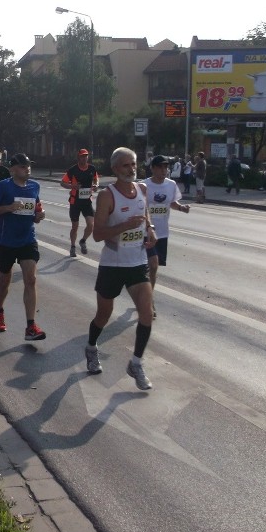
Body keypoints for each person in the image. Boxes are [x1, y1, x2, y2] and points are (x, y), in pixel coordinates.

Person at [85, 147, 157, 389]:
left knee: (146, 314)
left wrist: (151, 230)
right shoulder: (108, 195)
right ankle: (91, 346)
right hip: (112, 265)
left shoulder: (142, 190)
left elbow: (144, 214)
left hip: (137, 262)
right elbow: (97, 235)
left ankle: (136, 363)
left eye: (134, 164)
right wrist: (124, 226)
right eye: (126, 165)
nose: (132, 169)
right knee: (103, 315)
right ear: (115, 169)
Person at [0, 152, 46, 340]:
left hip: (27, 240)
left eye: (28, 166)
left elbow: (36, 210)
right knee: (4, 280)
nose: (27, 169)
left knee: (31, 279)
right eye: (22, 166)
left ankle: (30, 326)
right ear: (12, 169)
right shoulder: (4, 187)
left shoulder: (35, 186)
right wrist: (8, 208)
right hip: (5, 241)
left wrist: (38, 216)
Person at [144, 155, 190, 318]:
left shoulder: (170, 185)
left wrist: (181, 208)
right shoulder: (144, 185)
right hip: (146, 233)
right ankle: (149, 302)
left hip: (163, 233)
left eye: (166, 168)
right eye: (160, 167)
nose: (164, 170)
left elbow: (171, 202)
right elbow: (139, 206)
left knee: (154, 268)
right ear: (153, 168)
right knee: (154, 265)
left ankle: (146, 293)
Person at [60, 148, 99, 257]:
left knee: (91, 225)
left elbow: (96, 179)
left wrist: (96, 185)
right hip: (75, 202)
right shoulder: (73, 170)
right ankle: (72, 246)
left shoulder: (92, 168)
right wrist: (73, 186)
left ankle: (83, 241)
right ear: (79, 157)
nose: (84, 158)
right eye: (82, 156)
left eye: (86, 156)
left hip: (87, 202)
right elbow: (62, 183)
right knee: (75, 226)